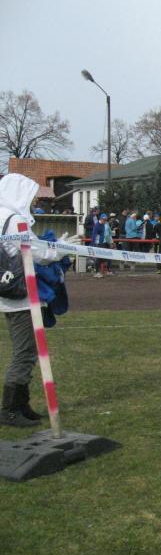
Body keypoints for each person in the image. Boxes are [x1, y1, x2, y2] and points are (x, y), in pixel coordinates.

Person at [0, 174, 69, 427]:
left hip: (9, 292)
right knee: (25, 352)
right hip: (21, 295)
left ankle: (22, 404)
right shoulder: (14, 220)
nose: (33, 201)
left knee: (26, 350)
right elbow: (37, 253)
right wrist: (60, 248)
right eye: (31, 196)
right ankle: (10, 409)